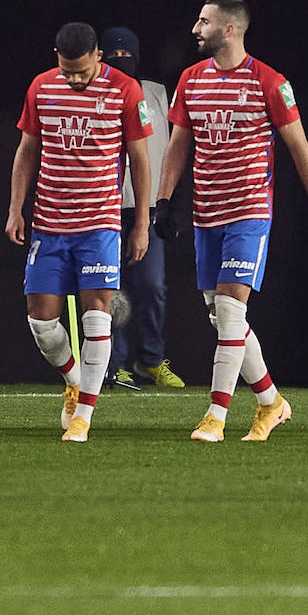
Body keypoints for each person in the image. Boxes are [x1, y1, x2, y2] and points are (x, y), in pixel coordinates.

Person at [154, 0, 308, 443]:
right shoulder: (190, 80)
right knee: (221, 318)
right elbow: (179, 145)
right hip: (206, 216)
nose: (196, 28)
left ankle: (215, 417)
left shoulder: (269, 81)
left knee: (232, 311)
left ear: (231, 29)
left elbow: (299, 146)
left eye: (205, 21)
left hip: (248, 213)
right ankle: (272, 403)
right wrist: (164, 202)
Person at [6, 22, 153, 442]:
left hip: (99, 225)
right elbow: (27, 150)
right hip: (49, 225)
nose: (74, 79)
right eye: (67, 70)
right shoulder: (41, 87)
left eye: (82, 72)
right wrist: (16, 209)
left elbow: (140, 161)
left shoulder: (125, 90)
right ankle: (75, 380)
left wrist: (140, 223)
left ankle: (84, 416)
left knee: (96, 316)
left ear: (98, 58)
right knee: (42, 322)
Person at [98, 26, 182, 389]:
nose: (122, 62)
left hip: (145, 209)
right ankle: (113, 364)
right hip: (104, 209)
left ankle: (150, 359)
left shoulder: (157, 93)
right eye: (113, 56)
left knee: (151, 287)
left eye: (126, 55)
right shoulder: (94, 93)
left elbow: (173, 149)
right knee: (109, 290)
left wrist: (168, 204)